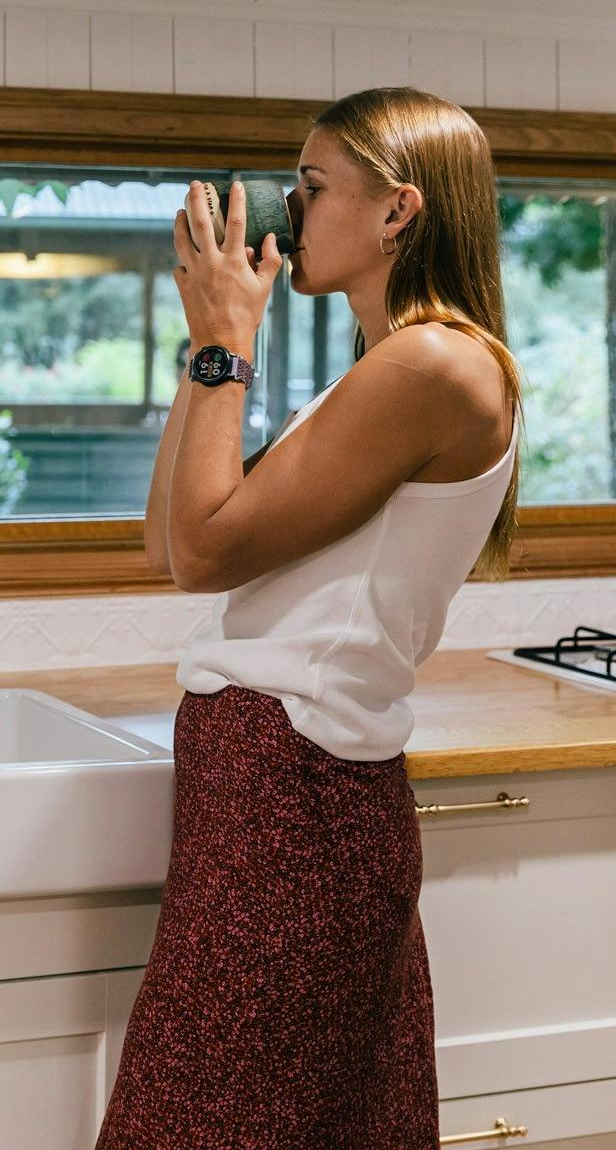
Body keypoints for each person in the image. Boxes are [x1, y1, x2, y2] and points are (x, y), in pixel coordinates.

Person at [94, 87, 525, 1149]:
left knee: (201, 1122)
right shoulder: (385, 372)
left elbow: (196, 551)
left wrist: (227, 346)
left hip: (293, 794)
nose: (289, 210)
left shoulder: (430, 366)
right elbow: (169, 540)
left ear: (396, 212)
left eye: (312, 185)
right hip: (279, 788)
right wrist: (205, 349)